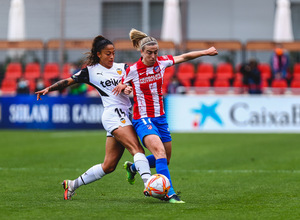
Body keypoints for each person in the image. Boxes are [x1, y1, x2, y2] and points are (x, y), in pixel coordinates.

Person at [35, 35, 151, 200]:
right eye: (107, 53)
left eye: (113, 53)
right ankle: (149, 185)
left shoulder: (123, 67)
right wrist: (48, 88)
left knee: (109, 166)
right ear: (98, 54)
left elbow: (135, 81)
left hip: (125, 115)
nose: (111, 56)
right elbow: (69, 81)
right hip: (113, 114)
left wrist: (127, 86)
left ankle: (72, 184)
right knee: (137, 149)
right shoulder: (91, 71)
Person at [113, 28, 218, 203]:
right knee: (160, 152)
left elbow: (184, 57)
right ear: (141, 52)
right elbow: (120, 84)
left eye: (155, 52)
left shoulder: (162, 63)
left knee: (165, 159)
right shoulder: (132, 70)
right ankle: (169, 193)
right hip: (142, 118)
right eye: (149, 53)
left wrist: (205, 52)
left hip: (160, 117)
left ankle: (133, 168)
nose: (153, 56)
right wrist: (126, 88)